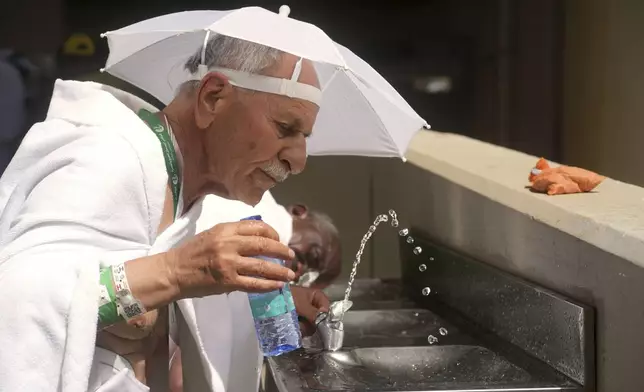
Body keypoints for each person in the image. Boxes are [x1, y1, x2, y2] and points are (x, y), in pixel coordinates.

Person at [0, 33, 328, 392]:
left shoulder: (194, 195)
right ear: (212, 98)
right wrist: (175, 272)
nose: (297, 161)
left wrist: (265, 309)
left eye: (304, 137)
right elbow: (17, 298)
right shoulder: (112, 159)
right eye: (285, 129)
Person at [168, 191, 341, 392]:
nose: (300, 269)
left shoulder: (273, 281)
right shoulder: (252, 207)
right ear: (298, 211)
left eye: (308, 276)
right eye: (313, 255)